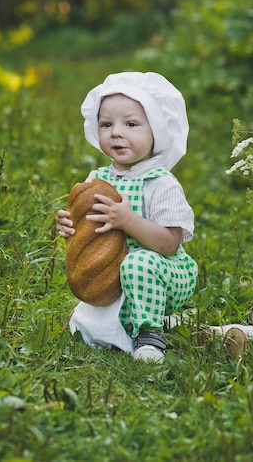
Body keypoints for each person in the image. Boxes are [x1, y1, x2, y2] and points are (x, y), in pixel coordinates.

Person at [56, 71, 198, 363]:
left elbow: (170, 244)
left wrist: (129, 221)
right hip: (116, 273)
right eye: (106, 124)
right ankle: (135, 317)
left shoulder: (160, 183)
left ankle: (149, 334)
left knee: (137, 262)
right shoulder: (96, 180)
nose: (116, 132)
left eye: (131, 124)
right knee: (113, 278)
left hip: (164, 271)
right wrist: (69, 225)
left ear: (156, 131)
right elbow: (88, 228)